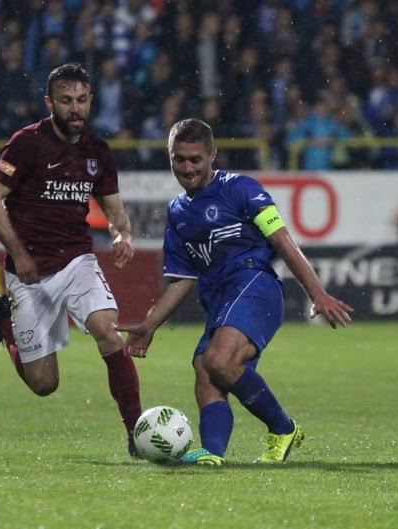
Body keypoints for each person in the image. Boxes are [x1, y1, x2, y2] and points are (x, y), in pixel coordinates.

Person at [117, 119, 353, 465]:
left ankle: (283, 428)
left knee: (218, 360)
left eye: (195, 159)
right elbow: (182, 278)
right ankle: (212, 455)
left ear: (213, 155)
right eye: (179, 160)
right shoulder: (177, 211)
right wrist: (150, 325)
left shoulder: (241, 188)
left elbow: (282, 240)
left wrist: (317, 293)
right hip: (219, 297)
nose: (187, 168)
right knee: (205, 369)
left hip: (254, 284)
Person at [0, 63, 142, 457]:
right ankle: (7, 328)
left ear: (90, 102)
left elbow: (116, 211)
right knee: (44, 384)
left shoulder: (98, 152)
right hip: (28, 273)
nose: (75, 109)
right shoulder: (27, 143)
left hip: (76, 262)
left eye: (82, 100)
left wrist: (123, 235)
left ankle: (137, 433)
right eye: (66, 101)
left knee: (107, 329)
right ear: (49, 102)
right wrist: (20, 255)